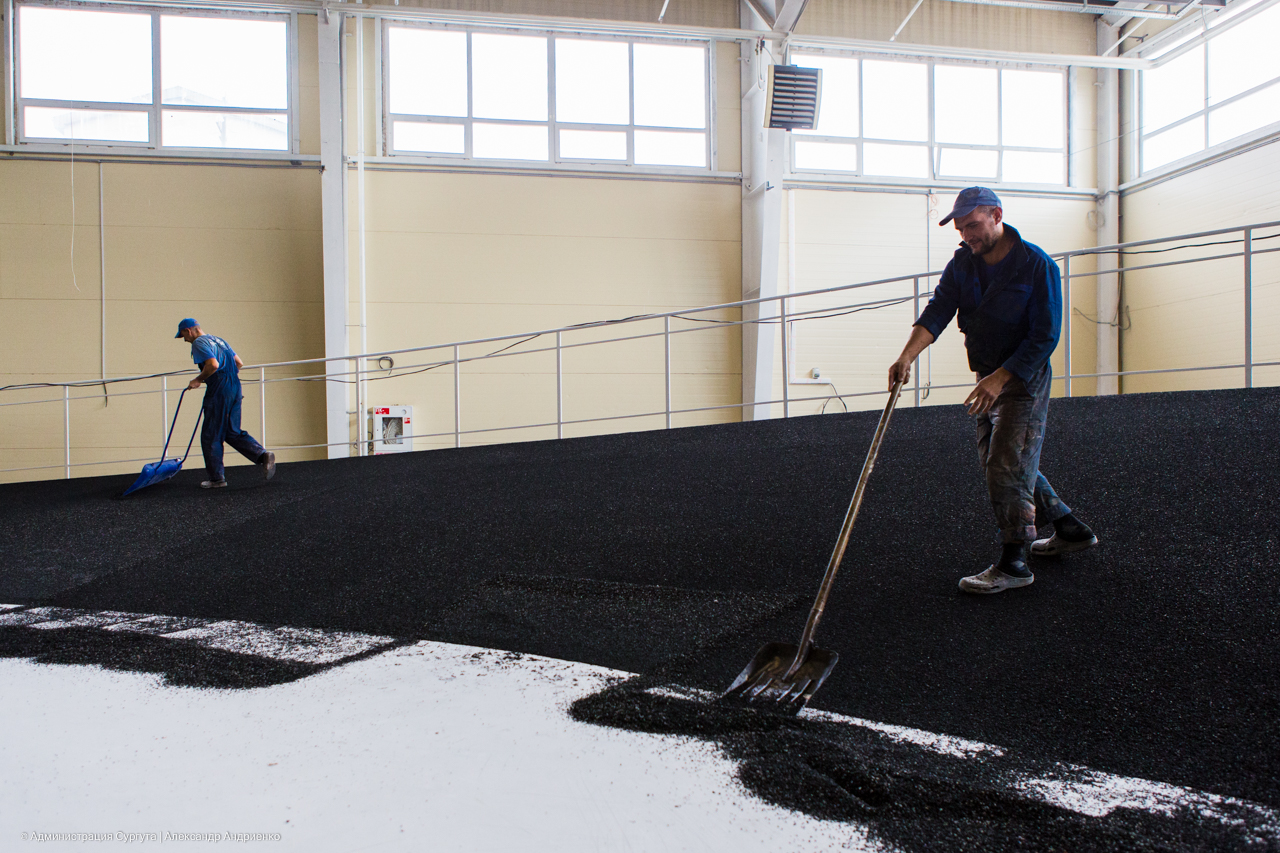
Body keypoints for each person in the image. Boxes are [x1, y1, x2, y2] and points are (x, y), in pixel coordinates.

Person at [888, 187, 1096, 594]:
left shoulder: (1036, 265)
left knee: (1005, 463)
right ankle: (1070, 528)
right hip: (986, 378)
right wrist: (907, 356)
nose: (967, 236)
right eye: (961, 229)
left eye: (973, 226)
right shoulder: (963, 263)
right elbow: (938, 310)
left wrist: (1000, 378)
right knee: (1000, 461)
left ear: (997, 215)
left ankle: (1014, 563)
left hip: (1022, 378)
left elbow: (1045, 336)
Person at [175, 318, 275, 489]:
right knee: (231, 431)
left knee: (211, 435)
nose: (184, 339)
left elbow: (213, 365)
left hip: (220, 389)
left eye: (183, 335)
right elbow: (239, 363)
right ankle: (262, 455)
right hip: (235, 386)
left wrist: (199, 379)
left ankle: (216, 479)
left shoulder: (199, 343)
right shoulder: (219, 340)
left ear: (188, 330)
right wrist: (229, 384)